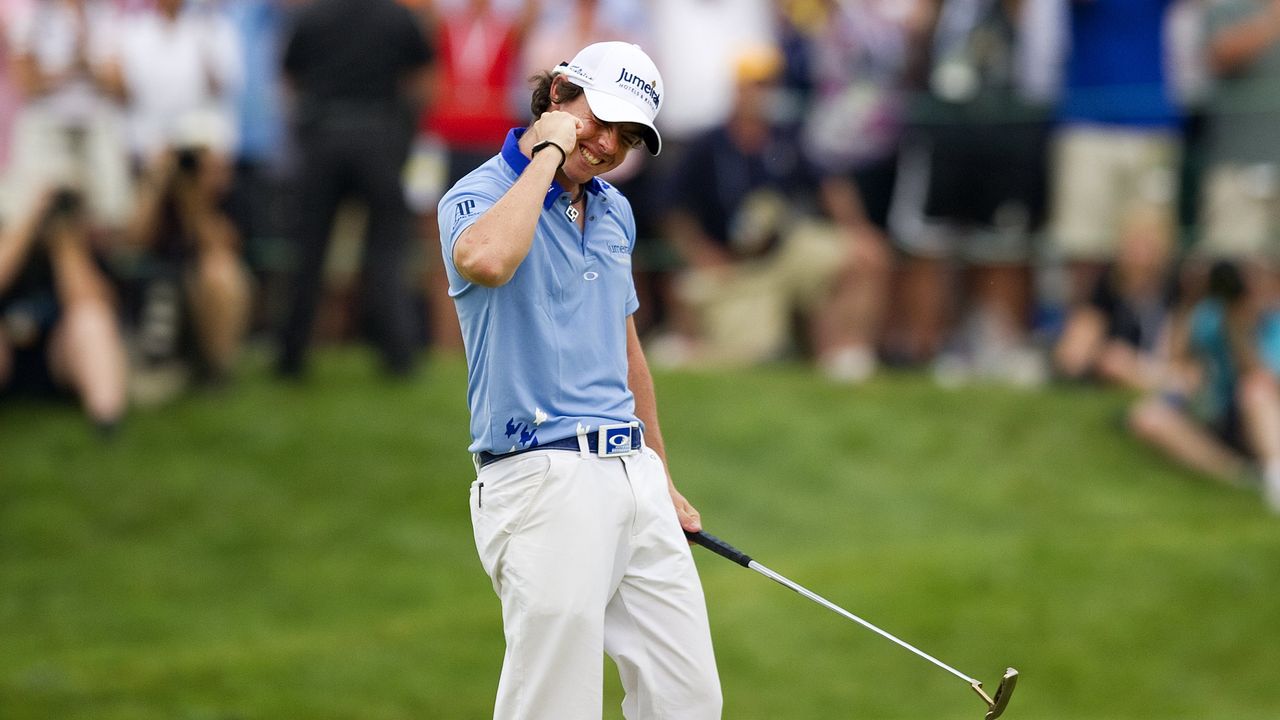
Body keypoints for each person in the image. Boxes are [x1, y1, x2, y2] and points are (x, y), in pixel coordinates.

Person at [437, 42, 722, 718]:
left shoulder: (615, 211)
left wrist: (662, 475)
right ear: (559, 93)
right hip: (539, 475)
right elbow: (489, 260)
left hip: (631, 474)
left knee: (688, 699)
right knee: (554, 705)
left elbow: (625, 353)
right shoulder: (477, 195)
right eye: (598, 120)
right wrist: (547, 153)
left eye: (626, 137)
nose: (605, 145)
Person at [656, 44, 892, 382]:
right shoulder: (708, 144)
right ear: (736, 89)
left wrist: (856, 229)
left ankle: (844, 351)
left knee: (863, 255)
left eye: (768, 85)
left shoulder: (786, 138)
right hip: (734, 267)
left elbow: (829, 184)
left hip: (785, 253)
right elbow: (671, 207)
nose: (761, 94)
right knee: (742, 347)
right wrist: (701, 253)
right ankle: (688, 344)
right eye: (754, 85)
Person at [277, 0, 433, 378]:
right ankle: (397, 354)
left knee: (309, 252)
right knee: (385, 251)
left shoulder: (311, 16)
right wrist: (403, 133)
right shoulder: (398, 16)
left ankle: (291, 356)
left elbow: (289, 79)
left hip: (323, 139)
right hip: (378, 138)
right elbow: (423, 78)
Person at [106, 0, 250, 385]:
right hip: (142, 156)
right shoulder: (131, 33)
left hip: (191, 174)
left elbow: (220, 245)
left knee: (220, 273)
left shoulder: (212, 28)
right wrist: (159, 174)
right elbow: (131, 242)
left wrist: (193, 194)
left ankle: (216, 369)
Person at [1129, 260, 1280, 512]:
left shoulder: (1273, 322)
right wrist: (1191, 298)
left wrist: (1239, 328)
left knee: (1255, 389)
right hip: (1221, 416)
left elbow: (1263, 378)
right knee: (1148, 417)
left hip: (1265, 418)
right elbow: (1175, 359)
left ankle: (1275, 473)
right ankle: (1242, 477)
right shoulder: (1211, 316)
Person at [0, 187, 127, 434]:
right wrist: (24, 229)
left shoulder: (86, 249)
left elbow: (93, 302)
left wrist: (65, 248)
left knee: (91, 321)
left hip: (57, 357)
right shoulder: (12, 239)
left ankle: (106, 420)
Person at [1054, 204, 1181, 391]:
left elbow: (1178, 352)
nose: (1140, 254)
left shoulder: (1175, 289)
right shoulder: (1107, 285)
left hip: (1159, 364)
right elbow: (1074, 352)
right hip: (1118, 361)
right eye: (1135, 243)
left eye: (1147, 244)